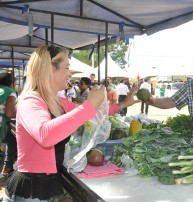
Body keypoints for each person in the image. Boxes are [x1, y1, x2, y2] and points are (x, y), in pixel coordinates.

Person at [3, 45, 139, 202]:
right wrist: (89, 105)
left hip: (45, 184)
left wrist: (123, 105)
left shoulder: (58, 102)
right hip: (30, 191)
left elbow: (90, 113)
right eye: (67, 67)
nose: (69, 73)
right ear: (50, 69)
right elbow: (45, 134)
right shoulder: (30, 101)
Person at [0, 73, 17, 180]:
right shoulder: (11, 92)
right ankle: (6, 168)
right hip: (2, 124)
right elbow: (10, 113)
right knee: (11, 142)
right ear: (11, 82)